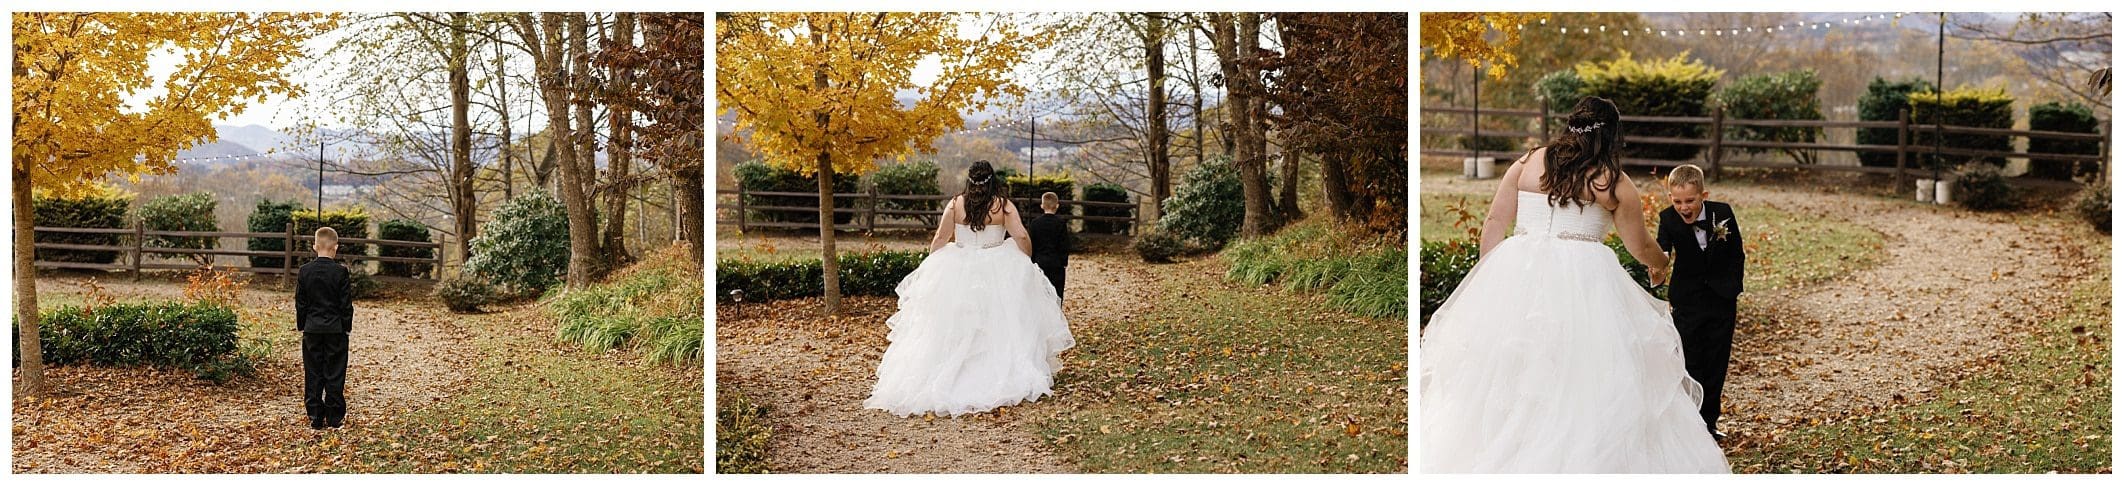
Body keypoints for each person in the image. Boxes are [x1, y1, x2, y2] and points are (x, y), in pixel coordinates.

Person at [1420, 96, 1728, 473]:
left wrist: (1490, 279)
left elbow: (1494, 222)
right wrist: (1661, 264)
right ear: (1612, 134)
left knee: (1516, 370)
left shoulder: (1527, 162)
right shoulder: (1612, 181)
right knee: (1586, 374)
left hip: (1519, 273)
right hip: (1585, 284)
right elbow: (1639, 245)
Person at [863, 161, 1076, 417]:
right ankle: (993, 374)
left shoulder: (955, 204)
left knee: (955, 322)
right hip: (997, 264)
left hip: (959, 263)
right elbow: (1020, 236)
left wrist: (932, 266)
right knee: (998, 320)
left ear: (970, 180)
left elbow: (940, 238)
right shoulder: (1003, 205)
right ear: (992, 180)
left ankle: (952, 375)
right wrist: (1025, 260)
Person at [1656, 164, 1746, 441]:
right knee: (1691, 361)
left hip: (1721, 301)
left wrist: (1733, 288)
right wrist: (1656, 269)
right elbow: (1661, 253)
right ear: (1671, 198)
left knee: (1717, 362)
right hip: (1688, 301)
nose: (1684, 207)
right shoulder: (1668, 219)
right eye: (1677, 201)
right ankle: (1692, 424)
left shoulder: (1724, 213)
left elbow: (1736, 253)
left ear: (1703, 195)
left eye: (1690, 201)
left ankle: (1710, 423)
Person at [295, 226, 354, 430]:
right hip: (335, 330)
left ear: (314, 246)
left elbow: (300, 303)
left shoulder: (304, 272)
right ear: (335, 248)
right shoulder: (340, 272)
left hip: (312, 329)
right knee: (335, 371)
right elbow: (345, 304)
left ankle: (315, 415)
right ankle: (334, 415)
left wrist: (302, 324)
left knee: (313, 372)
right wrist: (347, 326)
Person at [1025, 192, 1070, 301]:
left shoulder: (1035, 223)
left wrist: (1032, 260)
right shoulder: (1061, 223)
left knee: (1040, 292)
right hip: (1056, 263)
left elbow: (1031, 243)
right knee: (1057, 292)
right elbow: (1064, 245)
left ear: (1042, 205)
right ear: (1057, 205)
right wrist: (1063, 261)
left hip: (1039, 262)